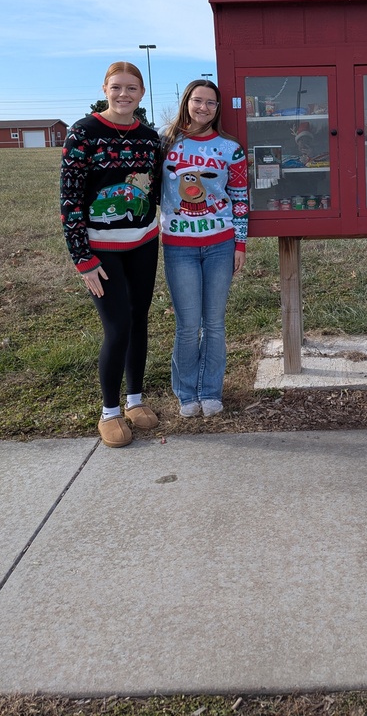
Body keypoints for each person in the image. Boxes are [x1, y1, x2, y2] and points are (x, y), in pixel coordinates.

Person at [60, 62, 162, 447]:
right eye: (117, 87)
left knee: (139, 320)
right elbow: (70, 200)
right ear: (105, 88)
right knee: (117, 326)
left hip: (143, 243)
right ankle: (110, 412)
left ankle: (135, 399)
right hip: (101, 251)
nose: (124, 94)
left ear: (141, 93)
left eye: (132, 88)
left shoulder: (150, 138)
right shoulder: (83, 134)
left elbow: (153, 189)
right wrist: (82, 259)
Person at [160, 79, 249, 417]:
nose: (204, 108)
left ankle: (210, 390)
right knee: (187, 325)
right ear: (187, 103)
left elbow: (240, 199)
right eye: (198, 101)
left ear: (218, 109)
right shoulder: (166, 143)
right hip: (179, 247)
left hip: (220, 245)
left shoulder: (230, 148)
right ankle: (186, 394)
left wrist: (240, 242)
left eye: (211, 103)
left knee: (214, 322)